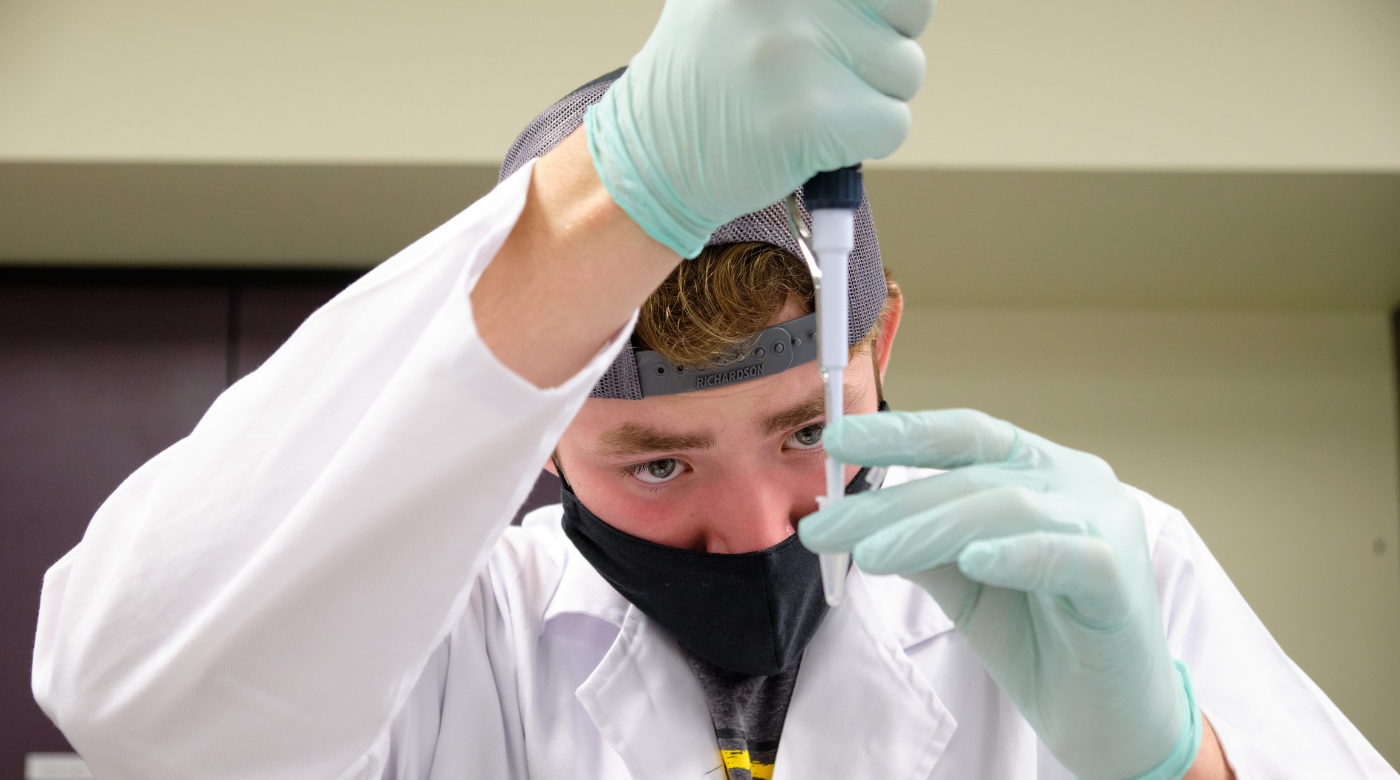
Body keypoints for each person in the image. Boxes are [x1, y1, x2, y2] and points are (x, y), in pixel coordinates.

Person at [30, 1, 1396, 779]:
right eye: (659, 462)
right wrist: (625, 183)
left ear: (886, 338)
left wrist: (1178, 766)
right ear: (545, 430)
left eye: (807, 428)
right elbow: (126, 695)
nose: (757, 526)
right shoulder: (449, 651)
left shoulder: (1109, 580)